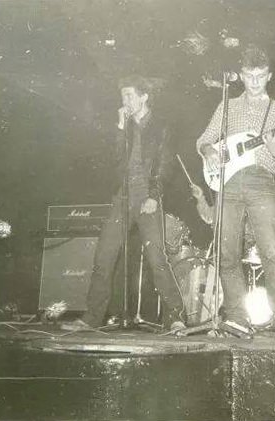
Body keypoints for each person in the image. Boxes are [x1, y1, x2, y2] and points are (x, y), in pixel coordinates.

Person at [61, 75, 185, 331]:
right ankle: (91, 318)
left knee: (156, 258)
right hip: (124, 195)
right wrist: (119, 128)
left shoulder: (161, 126)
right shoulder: (125, 127)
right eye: (123, 96)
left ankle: (175, 317)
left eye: (129, 95)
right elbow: (116, 164)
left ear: (144, 97)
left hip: (148, 194)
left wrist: (153, 195)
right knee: (104, 255)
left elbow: (166, 165)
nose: (125, 100)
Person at [196, 45, 275, 340]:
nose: (255, 82)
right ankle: (236, 318)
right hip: (227, 182)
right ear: (241, 76)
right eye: (249, 76)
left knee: (273, 251)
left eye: (261, 76)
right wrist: (209, 152)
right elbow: (203, 140)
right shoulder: (227, 106)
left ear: (270, 76)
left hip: (260, 181)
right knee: (227, 254)